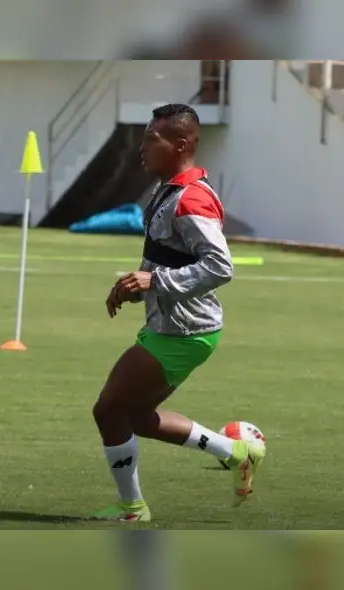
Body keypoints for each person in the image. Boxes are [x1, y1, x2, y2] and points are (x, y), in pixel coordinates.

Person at [89, 103, 265, 522]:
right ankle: (236, 452)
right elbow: (169, 257)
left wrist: (156, 283)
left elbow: (219, 265)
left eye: (152, 139)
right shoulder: (168, 190)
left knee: (109, 410)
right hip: (175, 325)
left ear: (181, 144)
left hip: (184, 332)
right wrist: (139, 286)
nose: (142, 147)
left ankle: (132, 508)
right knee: (138, 418)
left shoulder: (191, 200)